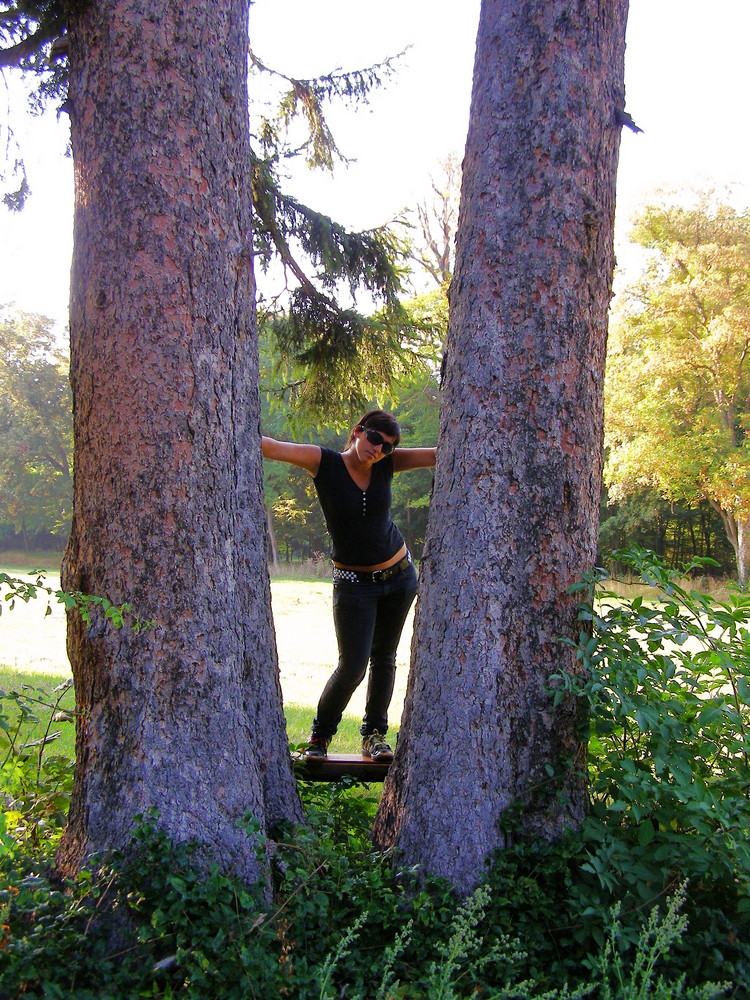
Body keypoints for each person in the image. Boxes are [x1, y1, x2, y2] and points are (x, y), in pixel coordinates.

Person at [262, 410, 436, 761]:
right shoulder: (322, 462)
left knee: (384, 659)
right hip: (353, 585)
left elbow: (440, 453)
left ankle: (374, 736)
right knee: (353, 665)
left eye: (388, 447)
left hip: (399, 578)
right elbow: (272, 447)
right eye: (375, 439)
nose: (379, 450)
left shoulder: (387, 463)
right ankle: (319, 737)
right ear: (358, 431)